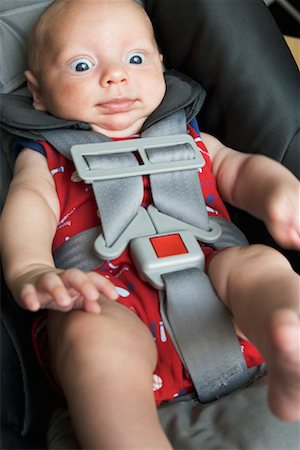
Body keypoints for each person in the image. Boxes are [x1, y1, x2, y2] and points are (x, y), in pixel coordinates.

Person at [1, 0, 300, 448]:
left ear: (161, 67)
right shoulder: (45, 156)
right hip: (108, 297)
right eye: (82, 65)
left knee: (260, 263)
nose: (114, 76)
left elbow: (239, 171)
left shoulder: (187, 133)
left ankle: (287, 339)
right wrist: (30, 268)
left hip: (218, 285)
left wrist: (277, 190)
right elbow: (29, 206)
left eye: (135, 59)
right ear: (38, 92)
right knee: (87, 330)